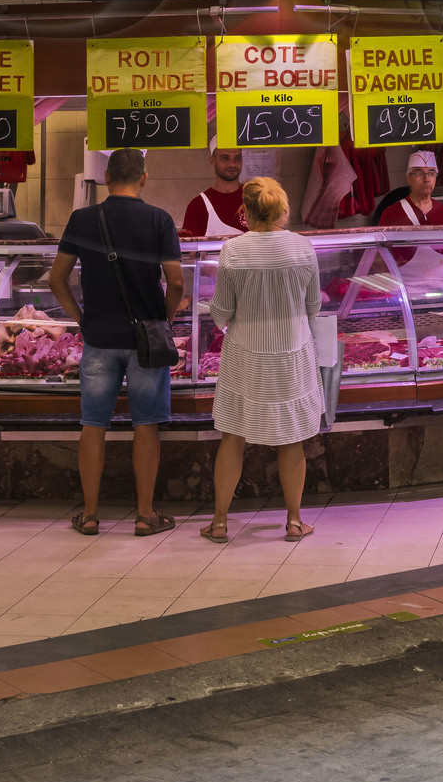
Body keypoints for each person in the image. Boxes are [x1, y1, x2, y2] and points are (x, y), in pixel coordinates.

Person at [49, 148, 184, 537]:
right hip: (146, 340)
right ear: (144, 178)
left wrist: (81, 318)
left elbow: (56, 279)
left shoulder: (83, 218)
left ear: (106, 176)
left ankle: (90, 515)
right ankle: (145, 515)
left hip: (99, 338)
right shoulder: (159, 219)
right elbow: (175, 282)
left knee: (93, 424)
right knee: (146, 425)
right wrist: (166, 319)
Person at [202, 177, 323, 544]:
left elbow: (221, 311)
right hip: (292, 353)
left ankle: (220, 522)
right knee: (292, 439)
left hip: (245, 355)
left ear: (246, 212)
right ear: (283, 209)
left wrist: (227, 317)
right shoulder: (303, 248)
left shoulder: (233, 251)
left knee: (233, 436)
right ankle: (294, 520)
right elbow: (313, 306)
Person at [370, 150, 443, 293]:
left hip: (442, 293)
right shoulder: (392, 213)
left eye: (431, 173)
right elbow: (378, 259)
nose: (426, 179)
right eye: (419, 173)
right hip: (405, 294)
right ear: (408, 178)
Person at [182, 144, 247, 240]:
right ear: (212, 161)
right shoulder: (197, 206)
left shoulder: (256, 198)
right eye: (225, 158)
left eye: (237, 158)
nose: (232, 164)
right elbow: (190, 250)